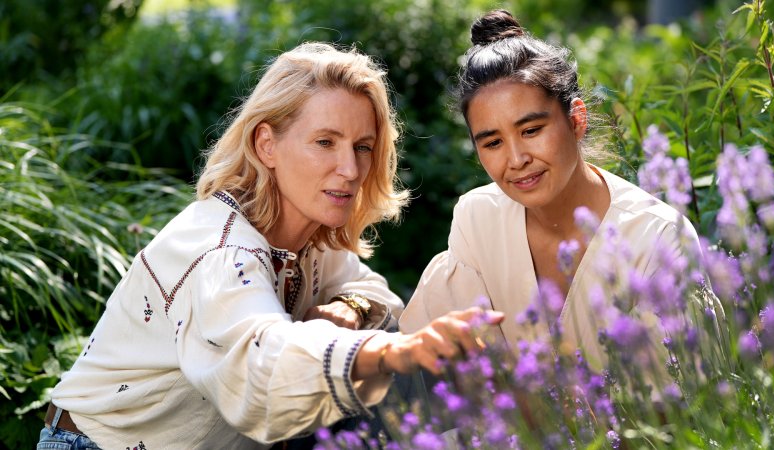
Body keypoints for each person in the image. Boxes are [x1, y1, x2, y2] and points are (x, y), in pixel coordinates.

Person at [39, 42, 503, 450]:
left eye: (362, 146)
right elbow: (263, 365)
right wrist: (386, 354)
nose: (349, 168)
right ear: (267, 145)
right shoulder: (221, 250)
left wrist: (351, 305)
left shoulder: (311, 234)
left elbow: (377, 294)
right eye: (325, 142)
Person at [399, 10, 716, 372]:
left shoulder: (654, 236)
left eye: (531, 130)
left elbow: (682, 397)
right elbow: (447, 371)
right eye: (493, 143)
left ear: (576, 119)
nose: (516, 159)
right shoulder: (477, 219)